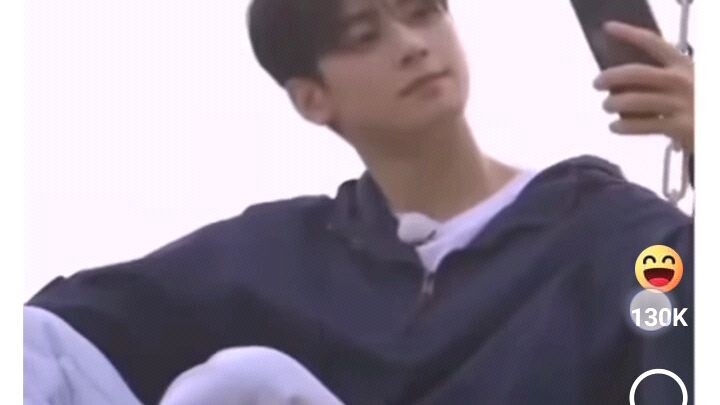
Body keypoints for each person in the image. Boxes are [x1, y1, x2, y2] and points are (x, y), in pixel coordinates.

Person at [24, 0, 695, 404]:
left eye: (423, 12)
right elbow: (54, 341)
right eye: (364, 34)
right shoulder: (280, 254)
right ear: (312, 98)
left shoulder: (607, 230)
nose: (413, 46)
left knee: (248, 382)